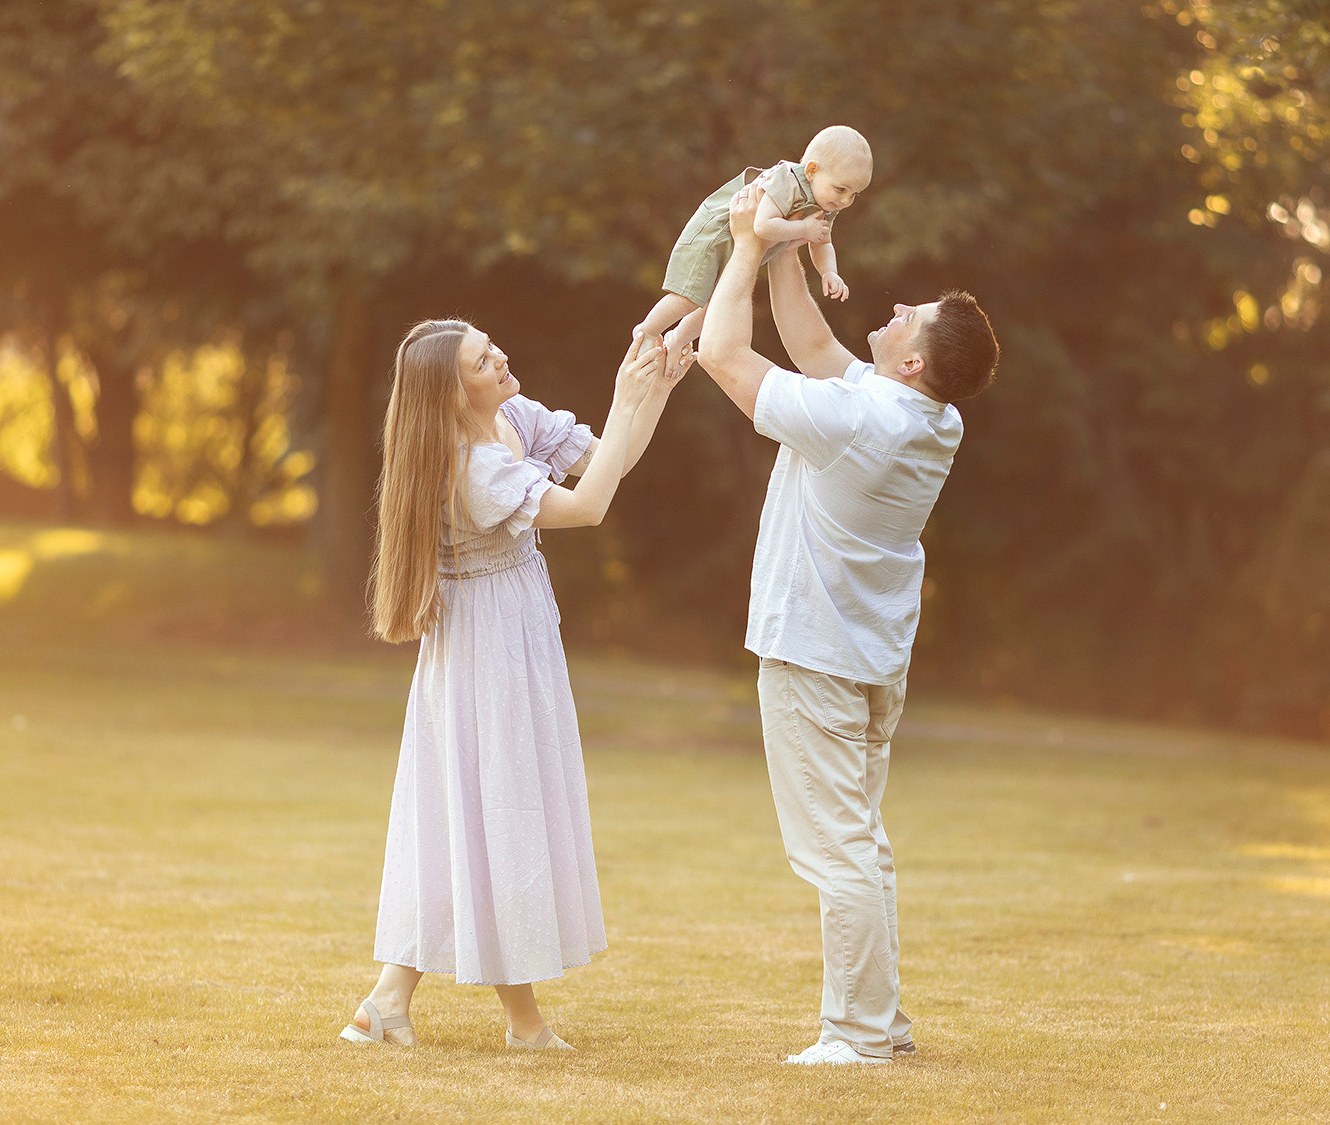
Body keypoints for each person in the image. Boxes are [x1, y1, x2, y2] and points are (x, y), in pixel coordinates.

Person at [697, 180, 1001, 1067]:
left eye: (913, 317)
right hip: (865, 659)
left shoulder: (863, 418)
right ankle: (883, 1024)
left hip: (816, 658)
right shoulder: (924, 415)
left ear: (910, 362)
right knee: (859, 844)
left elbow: (725, 353)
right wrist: (794, 230)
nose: (899, 307)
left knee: (838, 853)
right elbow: (810, 342)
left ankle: (857, 1036)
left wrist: (748, 244)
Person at [342, 321, 676, 1051]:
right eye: (481, 360)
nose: (501, 358)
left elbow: (604, 463)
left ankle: (386, 1003)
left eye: (494, 346)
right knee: (500, 812)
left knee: (466, 812)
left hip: (514, 637)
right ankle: (522, 1023)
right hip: (484, 648)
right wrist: (627, 396)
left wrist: (652, 391)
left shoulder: (513, 419)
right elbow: (588, 507)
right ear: (450, 392)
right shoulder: (471, 467)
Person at [635, 125, 873, 380]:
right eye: (841, 189)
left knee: (716, 306)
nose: (846, 201)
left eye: (854, 194)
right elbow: (762, 225)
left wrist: (829, 272)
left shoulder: (825, 203)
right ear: (812, 170)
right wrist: (802, 227)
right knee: (690, 298)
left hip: (741, 247)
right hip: (716, 234)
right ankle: (647, 332)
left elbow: (822, 242)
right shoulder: (787, 180)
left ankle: (676, 340)